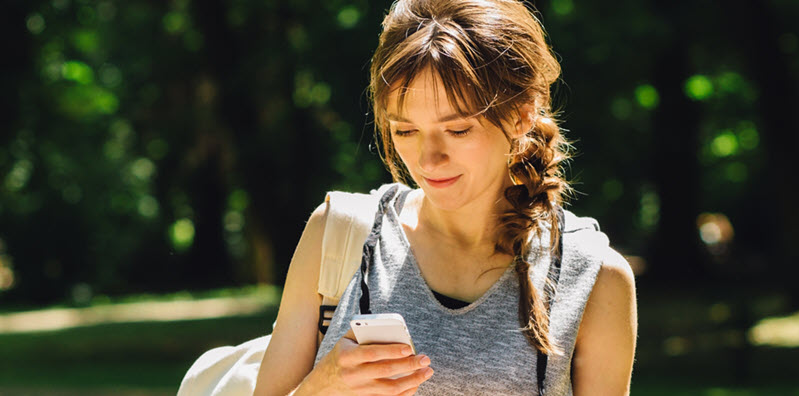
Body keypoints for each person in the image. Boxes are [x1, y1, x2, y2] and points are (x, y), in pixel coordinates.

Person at [254, 0, 637, 394]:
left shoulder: (594, 278)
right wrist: (323, 386)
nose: (428, 160)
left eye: (457, 130)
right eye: (405, 131)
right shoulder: (337, 235)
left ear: (523, 114)